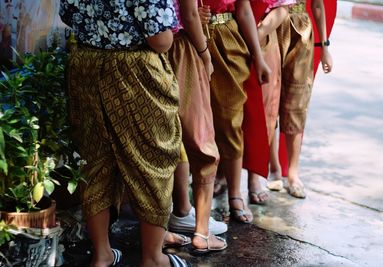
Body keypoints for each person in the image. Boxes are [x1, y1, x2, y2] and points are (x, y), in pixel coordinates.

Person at [59, 0, 189, 266]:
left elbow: (67, 14)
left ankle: (102, 254)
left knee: (94, 160)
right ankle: (153, 258)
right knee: (152, 160)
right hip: (135, 71)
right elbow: (161, 39)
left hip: (87, 65)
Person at [199, 0, 271, 223]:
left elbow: (244, 9)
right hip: (190, 37)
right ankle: (188, 207)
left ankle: (235, 195)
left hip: (227, 37)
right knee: (191, 124)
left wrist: (258, 57)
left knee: (231, 121)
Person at [165, 0, 228, 253]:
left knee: (166, 140)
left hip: (151, 51)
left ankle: (168, 223)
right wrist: (205, 54)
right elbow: (189, 15)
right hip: (181, 48)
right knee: (202, 142)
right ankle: (201, 233)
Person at [268, 0, 334, 198]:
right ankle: (274, 169)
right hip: (271, 27)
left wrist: (324, 47)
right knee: (270, 100)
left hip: (302, 32)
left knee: (297, 101)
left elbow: (317, 5)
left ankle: (293, 173)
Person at [243, 0, 296, 204]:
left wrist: (255, 37)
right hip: (228, 32)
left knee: (263, 110)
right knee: (225, 108)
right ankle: (222, 173)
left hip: (262, 35)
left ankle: (256, 174)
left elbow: (283, 8)